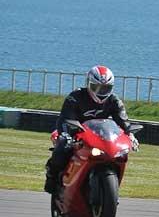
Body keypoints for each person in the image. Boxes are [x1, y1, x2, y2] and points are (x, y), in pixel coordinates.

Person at [44, 65, 137, 194]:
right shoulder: (75, 97)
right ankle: (52, 177)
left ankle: (111, 189)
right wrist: (69, 134)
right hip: (75, 132)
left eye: (105, 88)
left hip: (98, 135)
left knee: (118, 154)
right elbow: (66, 118)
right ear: (88, 84)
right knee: (63, 145)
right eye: (96, 87)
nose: (100, 91)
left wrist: (130, 135)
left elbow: (123, 120)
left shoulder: (114, 100)